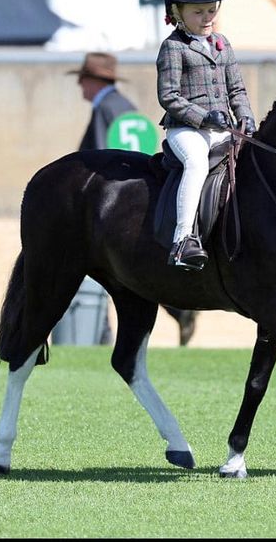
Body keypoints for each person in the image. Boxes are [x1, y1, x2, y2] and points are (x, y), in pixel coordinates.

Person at [63, 52, 198, 346]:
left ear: (92, 80)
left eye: (82, 81)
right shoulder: (122, 105)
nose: (80, 87)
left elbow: (102, 155)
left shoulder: (104, 109)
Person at [156, 0, 255, 270]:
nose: (207, 17)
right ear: (177, 12)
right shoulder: (174, 48)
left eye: (212, 9)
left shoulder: (223, 43)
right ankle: (183, 239)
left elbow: (236, 89)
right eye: (198, 12)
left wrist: (246, 116)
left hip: (222, 126)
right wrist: (203, 118)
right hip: (186, 129)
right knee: (197, 163)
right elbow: (168, 96)